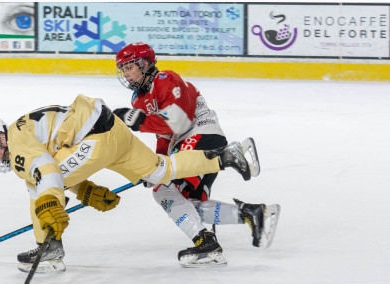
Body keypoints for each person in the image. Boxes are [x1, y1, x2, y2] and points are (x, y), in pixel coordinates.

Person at [0, 94, 257, 273]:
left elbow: (48, 171)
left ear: (0, 138)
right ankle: (228, 156)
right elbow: (57, 164)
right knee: (161, 170)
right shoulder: (24, 130)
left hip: (94, 137)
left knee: (37, 187)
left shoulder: (17, 141)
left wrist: (49, 202)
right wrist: (84, 189)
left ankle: (48, 248)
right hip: (111, 128)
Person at [113, 42, 280, 267]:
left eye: (129, 67)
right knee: (188, 206)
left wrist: (140, 121)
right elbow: (162, 135)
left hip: (201, 136)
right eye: (122, 69)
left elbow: (178, 121)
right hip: (185, 145)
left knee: (163, 191)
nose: (125, 73)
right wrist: (155, 166)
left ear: (144, 63)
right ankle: (252, 214)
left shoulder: (166, 79)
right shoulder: (137, 99)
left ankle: (206, 240)